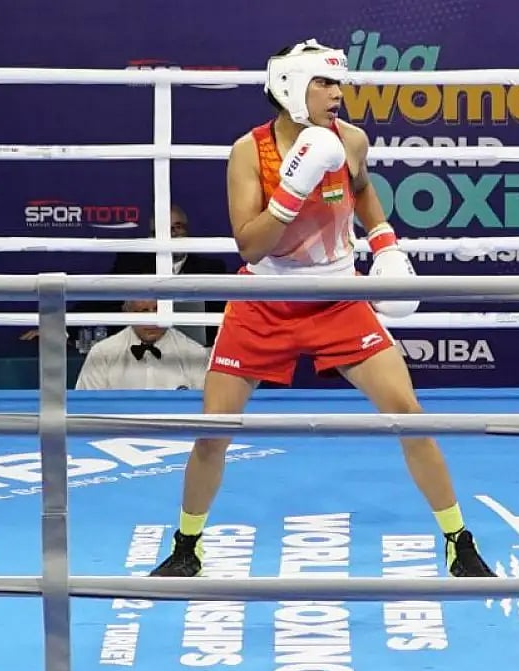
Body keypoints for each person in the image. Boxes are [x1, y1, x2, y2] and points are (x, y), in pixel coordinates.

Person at [148, 39, 494, 578]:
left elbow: (361, 189)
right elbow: (249, 246)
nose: (338, 93)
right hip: (262, 299)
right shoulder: (249, 151)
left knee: (409, 414)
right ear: (290, 87)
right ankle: (186, 544)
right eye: (325, 84)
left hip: (338, 296)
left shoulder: (350, 139)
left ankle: (459, 540)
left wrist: (384, 243)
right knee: (213, 431)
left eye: (339, 83)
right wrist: (291, 189)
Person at [75, 299, 209, 391]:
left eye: (157, 310)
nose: (152, 320)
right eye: (143, 311)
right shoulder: (102, 354)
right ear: (127, 313)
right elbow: (86, 410)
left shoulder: (194, 354)